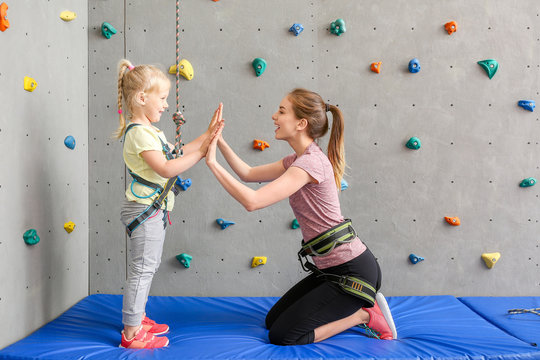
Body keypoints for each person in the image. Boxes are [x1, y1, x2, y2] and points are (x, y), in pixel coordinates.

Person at [205, 88, 397, 345]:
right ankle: (358, 310)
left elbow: (252, 201)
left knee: (283, 335)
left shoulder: (309, 165)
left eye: (282, 111)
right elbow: (248, 173)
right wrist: (217, 140)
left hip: (353, 274)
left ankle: (363, 315)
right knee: (272, 320)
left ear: (301, 123)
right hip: (330, 270)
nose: (274, 116)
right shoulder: (297, 160)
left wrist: (212, 163)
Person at [114, 59, 222, 349]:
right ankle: (131, 333)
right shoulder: (138, 133)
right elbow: (166, 167)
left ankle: (137, 318)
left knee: (147, 267)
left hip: (152, 210)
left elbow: (178, 152)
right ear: (141, 98)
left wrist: (208, 135)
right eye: (161, 98)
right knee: (142, 269)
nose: (165, 105)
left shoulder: (150, 131)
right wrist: (202, 155)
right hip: (144, 210)